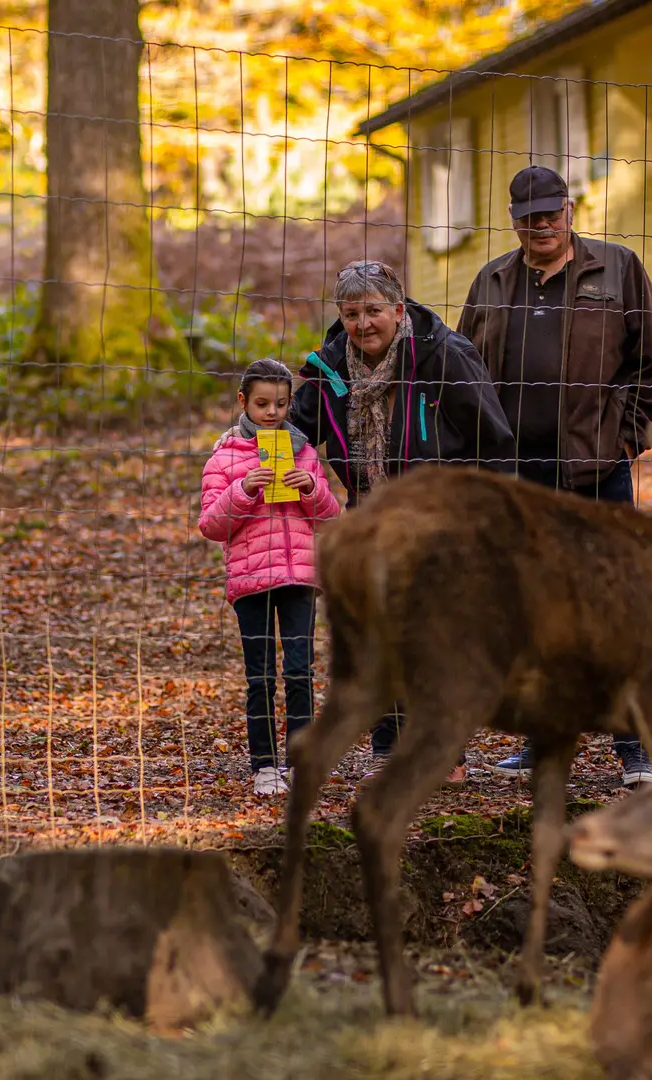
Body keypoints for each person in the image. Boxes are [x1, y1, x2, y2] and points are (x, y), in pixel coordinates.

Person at [457, 164, 652, 789]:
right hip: (515, 473)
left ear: (570, 209)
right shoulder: (493, 279)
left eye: (550, 213)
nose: (541, 225)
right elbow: (463, 370)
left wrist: (626, 439)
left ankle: (634, 747)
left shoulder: (618, 267)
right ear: (514, 220)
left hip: (593, 471)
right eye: (528, 217)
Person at [288, 259, 518, 777]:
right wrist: (245, 442)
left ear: (398, 308)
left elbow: (493, 438)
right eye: (350, 314)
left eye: (373, 310)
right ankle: (389, 750)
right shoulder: (332, 364)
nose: (362, 324)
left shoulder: (444, 355)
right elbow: (298, 426)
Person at [199, 359, 342, 797]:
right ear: (243, 402)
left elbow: (330, 516)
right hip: (250, 581)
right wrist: (242, 491)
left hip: (299, 576)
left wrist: (311, 489)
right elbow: (210, 525)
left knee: (299, 671)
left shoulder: (303, 452)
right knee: (259, 676)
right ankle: (264, 765)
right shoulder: (224, 456)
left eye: (281, 404)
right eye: (262, 403)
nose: (271, 413)